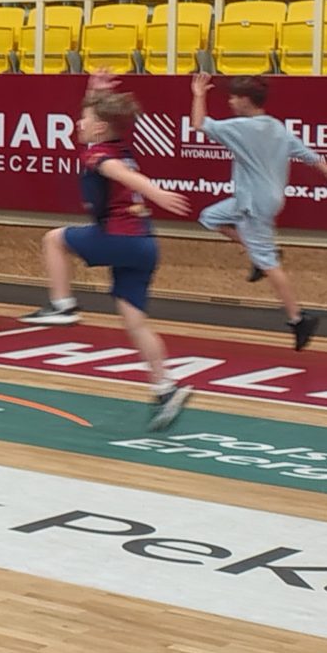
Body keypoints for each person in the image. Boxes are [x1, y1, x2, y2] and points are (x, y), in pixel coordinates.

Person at [19, 81, 196, 429]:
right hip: (144, 245)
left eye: (83, 119)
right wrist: (94, 90)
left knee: (53, 240)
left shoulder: (98, 155)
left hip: (120, 237)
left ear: (99, 127)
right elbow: (118, 155)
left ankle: (62, 305)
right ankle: (165, 386)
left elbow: (121, 174)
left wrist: (156, 191)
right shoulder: (120, 145)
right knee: (135, 322)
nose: (78, 123)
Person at [188, 71, 327, 351]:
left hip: (253, 203)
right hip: (261, 198)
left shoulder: (243, 128)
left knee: (269, 262)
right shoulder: (276, 127)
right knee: (210, 217)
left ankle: (298, 318)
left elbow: (199, 124)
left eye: (233, 97)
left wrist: (198, 95)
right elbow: (309, 155)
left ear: (246, 100)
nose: (230, 102)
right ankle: (260, 256)